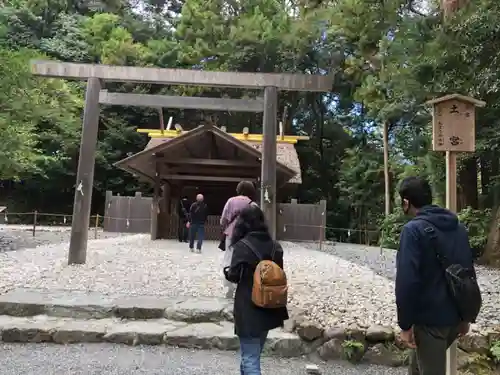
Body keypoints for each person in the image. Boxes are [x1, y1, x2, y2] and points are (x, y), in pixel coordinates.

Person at [395, 176, 476, 375]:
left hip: (430, 323)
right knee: (416, 368)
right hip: (454, 320)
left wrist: (405, 325)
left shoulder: (412, 231)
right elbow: (467, 273)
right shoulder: (458, 227)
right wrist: (466, 317)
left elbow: (407, 281)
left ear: (406, 202)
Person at [223, 205, 289, 375]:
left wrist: (227, 272)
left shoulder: (242, 246)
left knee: (250, 359)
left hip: (249, 306)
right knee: (252, 354)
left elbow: (234, 276)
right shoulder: (276, 247)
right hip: (269, 306)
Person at [221, 181, 256, 299]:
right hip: (247, 235)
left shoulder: (231, 201)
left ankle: (229, 285)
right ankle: (242, 285)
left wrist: (226, 226)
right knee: (244, 258)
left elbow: (223, 219)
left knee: (229, 257)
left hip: (231, 233)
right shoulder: (253, 205)